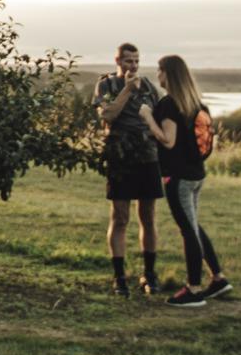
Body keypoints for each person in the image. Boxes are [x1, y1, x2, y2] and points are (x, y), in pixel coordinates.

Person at [149, 52, 231, 306]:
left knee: (188, 231)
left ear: (168, 75)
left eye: (160, 70)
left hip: (179, 177)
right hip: (196, 174)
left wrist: (146, 117)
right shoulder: (196, 104)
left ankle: (193, 289)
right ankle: (218, 278)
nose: (158, 75)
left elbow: (167, 140)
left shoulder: (169, 105)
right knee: (193, 226)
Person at [94, 42, 162, 297]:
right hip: (120, 155)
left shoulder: (149, 87)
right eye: (128, 61)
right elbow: (107, 116)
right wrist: (127, 89)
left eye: (136, 61)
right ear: (118, 61)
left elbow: (160, 117)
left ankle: (149, 274)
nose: (133, 66)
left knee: (148, 216)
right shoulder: (106, 85)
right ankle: (119, 276)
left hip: (147, 155)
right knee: (120, 216)